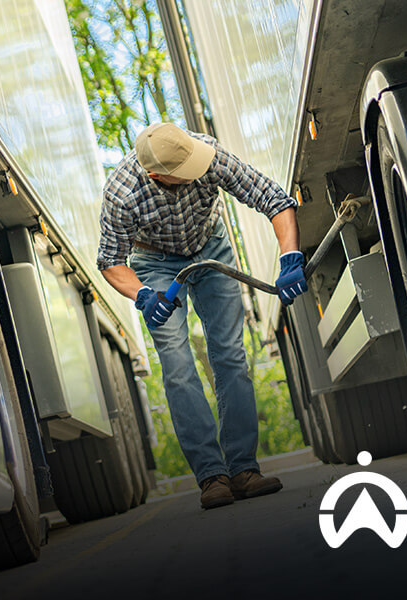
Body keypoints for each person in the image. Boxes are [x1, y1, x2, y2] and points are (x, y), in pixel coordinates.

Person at [96, 123, 308, 510]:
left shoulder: (207, 153)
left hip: (211, 247)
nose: (197, 166)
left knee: (229, 355)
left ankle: (244, 469)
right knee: (177, 365)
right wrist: (143, 294)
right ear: (156, 175)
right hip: (155, 262)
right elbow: (110, 260)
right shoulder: (122, 193)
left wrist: (289, 256)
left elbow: (273, 198)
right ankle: (212, 476)